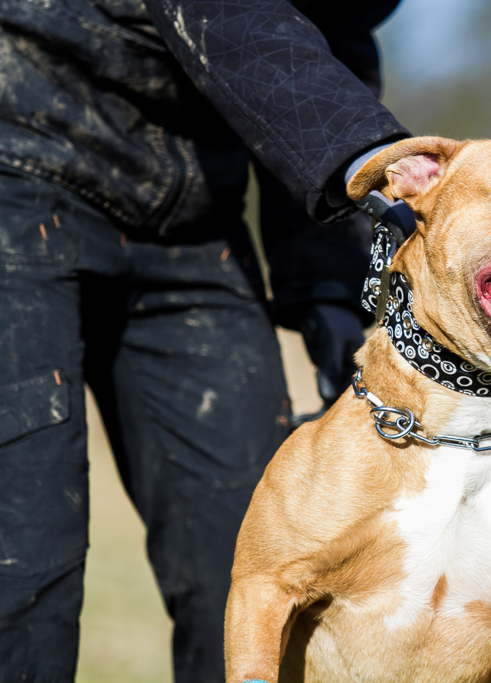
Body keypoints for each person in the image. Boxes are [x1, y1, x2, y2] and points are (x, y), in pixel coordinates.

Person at [0, 1, 411, 680]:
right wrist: (372, 161)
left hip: (192, 215)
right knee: (22, 561)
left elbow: (323, 34)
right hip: (23, 149)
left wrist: (328, 284)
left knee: (257, 568)